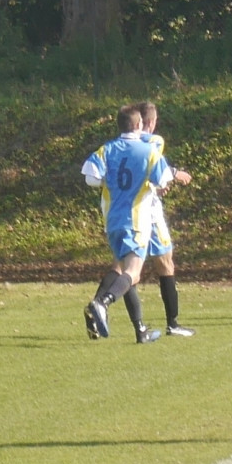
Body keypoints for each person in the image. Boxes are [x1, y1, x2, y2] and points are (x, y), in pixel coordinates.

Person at [81, 105, 175, 341]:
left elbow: (90, 177)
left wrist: (110, 182)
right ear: (139, 125)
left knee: (125, 273)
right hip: (136, 220)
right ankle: (102, 303)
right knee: (132, 273)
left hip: (112, 219)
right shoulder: (148, 150)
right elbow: (163, 180)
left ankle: (140, 331)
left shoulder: (107, 149)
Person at [130, 100, 196, 338]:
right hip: (149, 211)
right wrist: (174, 174)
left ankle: (101, 304)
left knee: (127, 268)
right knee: (165, 262)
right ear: (151, 122)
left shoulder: (122, 144)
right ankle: (173, 323)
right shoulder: (154, 140)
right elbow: (156, 164)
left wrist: (156, 184)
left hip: (127, 212)